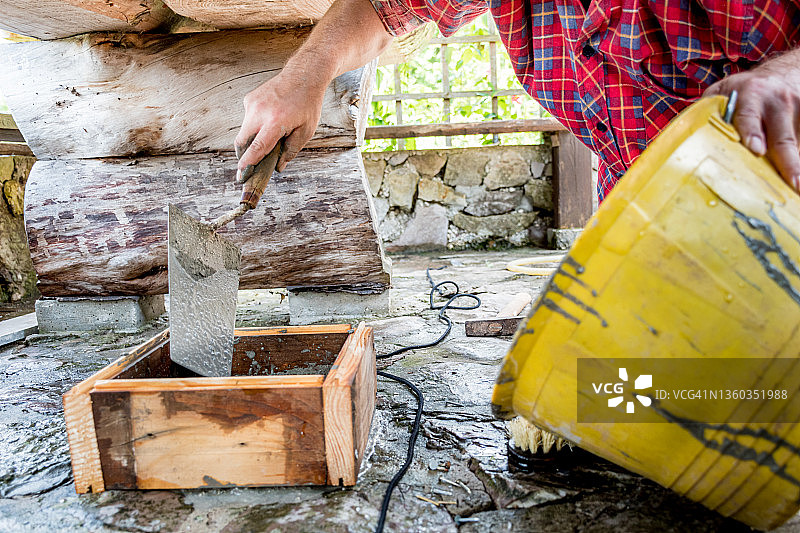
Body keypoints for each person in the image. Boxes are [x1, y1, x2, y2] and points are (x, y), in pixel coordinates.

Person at [234, 0, 800, 201]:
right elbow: (381, 10)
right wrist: (303, 76)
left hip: (777, 211)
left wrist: (786, 76)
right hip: (643, 228)